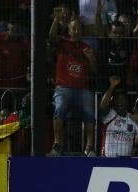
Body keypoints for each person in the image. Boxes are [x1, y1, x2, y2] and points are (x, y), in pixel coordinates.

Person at [49, 15, 98, 156]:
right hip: (63, 87)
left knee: (90, 111)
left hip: (82, 89)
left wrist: (90, 58)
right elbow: (51, 36)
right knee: (59, 108)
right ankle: (58, 144)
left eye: (78, 29)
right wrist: (56, 20)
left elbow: (95, 70)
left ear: (81, 32)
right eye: (73, 29)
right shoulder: (62, 43)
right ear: (68, 31)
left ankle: (89, 147)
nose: (76, 32)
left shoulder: (87, 48)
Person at [99, 76, 138, 157]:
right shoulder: (110, 115)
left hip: (125, 163)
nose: (119, 101)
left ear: (127, 102)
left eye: (122, 99)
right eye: (117, 99)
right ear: (112, 102)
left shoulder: (133, 118)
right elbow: (102, 106)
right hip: (107, 160)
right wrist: (112, 86)